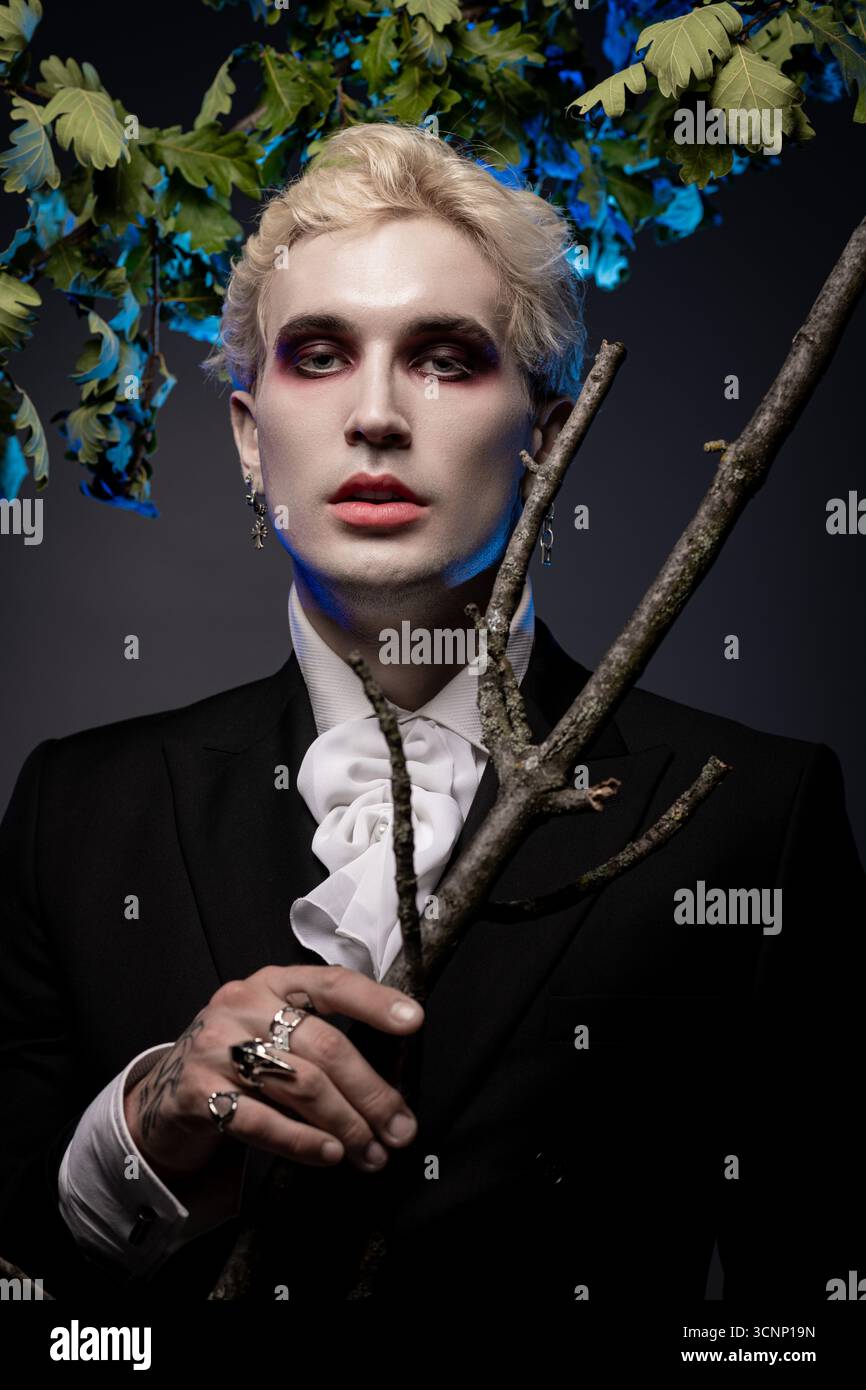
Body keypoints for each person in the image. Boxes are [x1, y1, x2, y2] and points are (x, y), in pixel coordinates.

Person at [0, 121, 862, 1305]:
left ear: (546, 440)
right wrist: (147, 1118)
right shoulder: (75, 810)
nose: (375, 416)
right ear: (252, 442)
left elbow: (812, 1315)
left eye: (445, 358)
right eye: (317, 354)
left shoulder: (749, 814)